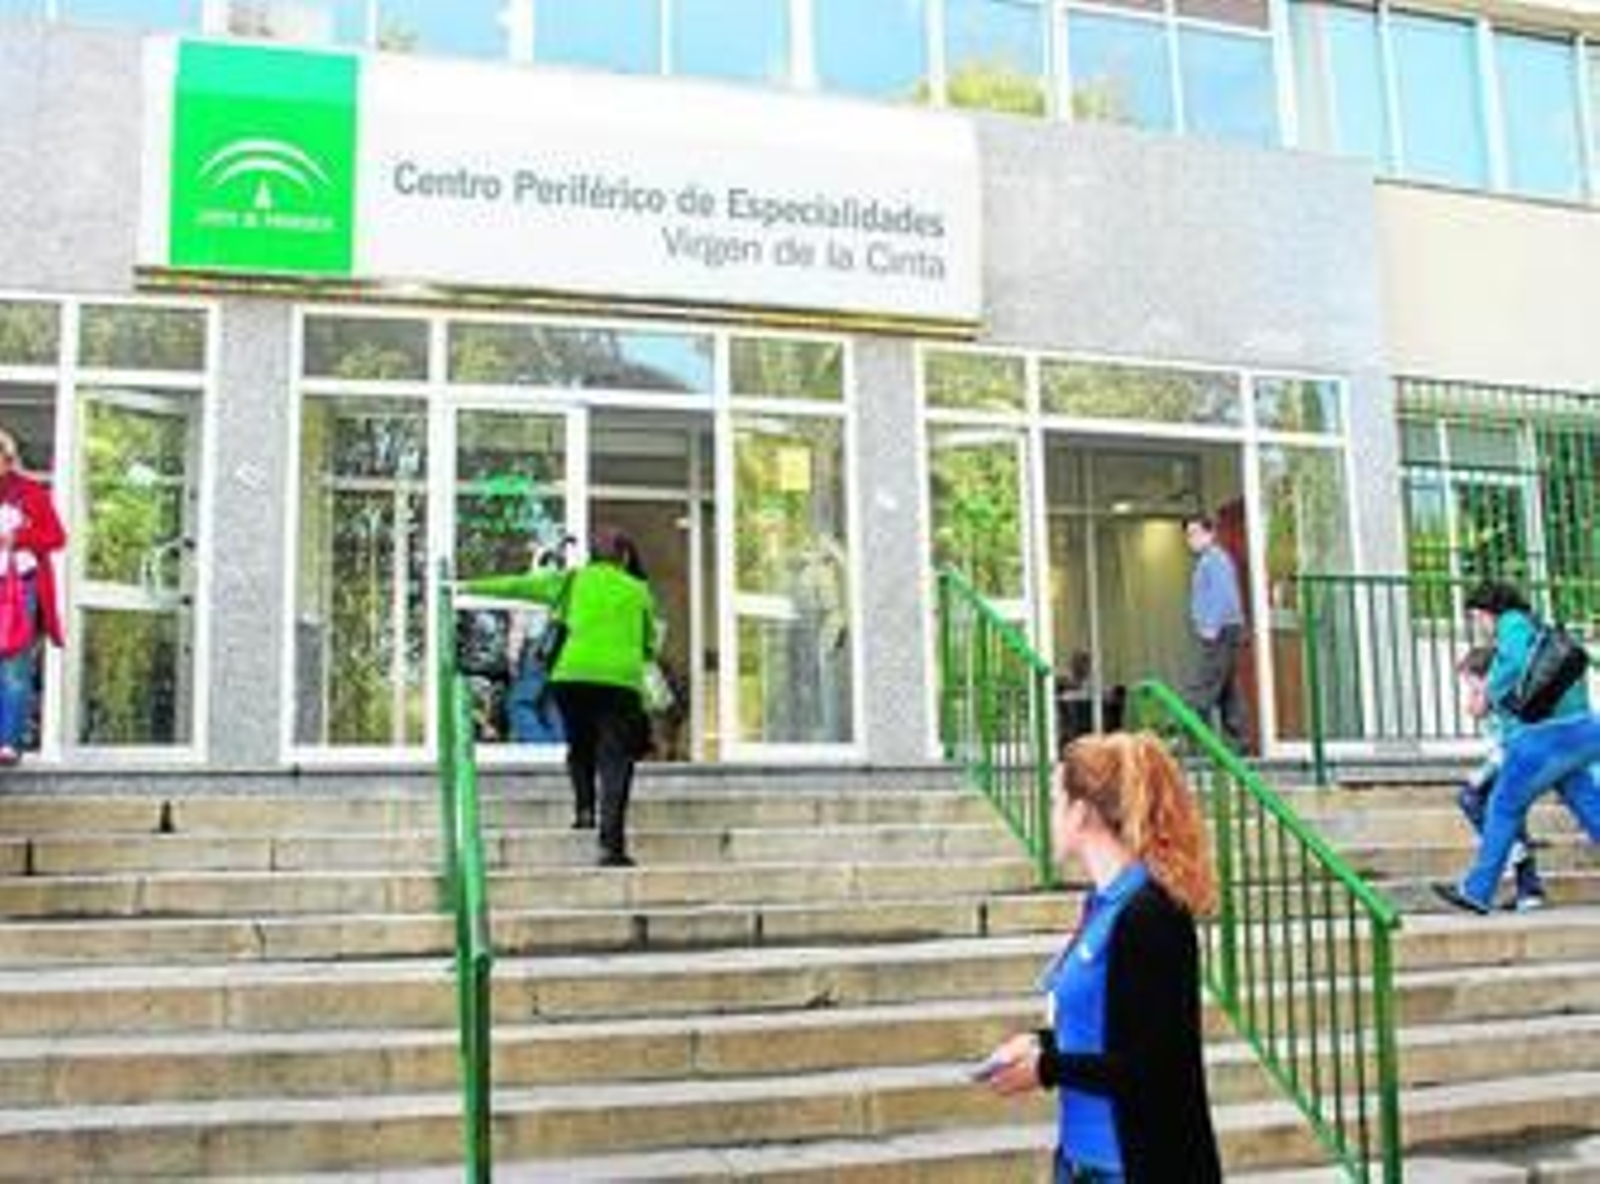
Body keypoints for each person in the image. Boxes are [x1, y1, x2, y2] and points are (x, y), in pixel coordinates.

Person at [981, 733, 1222, 1183]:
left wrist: (1045, 1068)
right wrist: (1039, 1043)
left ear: (1081, 812)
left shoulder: (1151, 914)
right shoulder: (1103, 905)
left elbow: (1150, 1065)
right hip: (1080, 1163)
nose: (1051, 815)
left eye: (1056, 801)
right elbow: (1106, 1030)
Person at [464, 528, 656, 868]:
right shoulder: (638, 590)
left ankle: (584, 811)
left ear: (591, 556)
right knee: (615, 760)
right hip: (620, 682)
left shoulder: (571, 580)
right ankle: (611, 846)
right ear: (624, 556)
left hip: (571, 677)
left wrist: (465, 586)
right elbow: (649, 642)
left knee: (580, 745)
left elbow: (516, 586)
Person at [1435, 582, 1600, 915]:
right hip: (1583, 731)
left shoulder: (1512, 624)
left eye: (1477, 617)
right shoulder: (1539, 626)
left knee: (1503, 806)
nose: (1479, 626)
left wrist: (1487, 694)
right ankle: (1482, 889)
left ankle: (1477, 891)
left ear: (1490, 612)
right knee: (1589, 806)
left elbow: (1512, 663)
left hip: (1542, 737)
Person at [1455, 646, 1545, 911]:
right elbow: (1474, 711)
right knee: (1512, 819)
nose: (1468, 688)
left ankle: (1510, 848)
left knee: (1469, 797)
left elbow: (1509, 741)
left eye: (1471, 681)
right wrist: (1478, 693)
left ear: (1487, 676)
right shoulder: (1491, 696)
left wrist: (1482, 773)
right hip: (1509, 760)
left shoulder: (1504, 696)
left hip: (1515, 760)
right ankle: (1529, 892)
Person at [0, 428, 66, 767]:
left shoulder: (30, 492)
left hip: (20, 588)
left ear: (7, 459)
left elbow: (56, 537)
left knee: (13, 667)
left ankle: (8, 742)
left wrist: (17, 538)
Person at [1182, 514, 1248, 752]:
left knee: (1202, 685)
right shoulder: (1208, 561)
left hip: (1221, 630)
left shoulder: (1215, 560)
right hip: (1223, 630)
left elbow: (1222, 594)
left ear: (1210, 534)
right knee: (1228, 688)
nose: (1191, 539)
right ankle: (1239, 740)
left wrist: (1210, 626)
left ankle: (1196, 741)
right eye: (1188, 535)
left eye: (1196, 533)